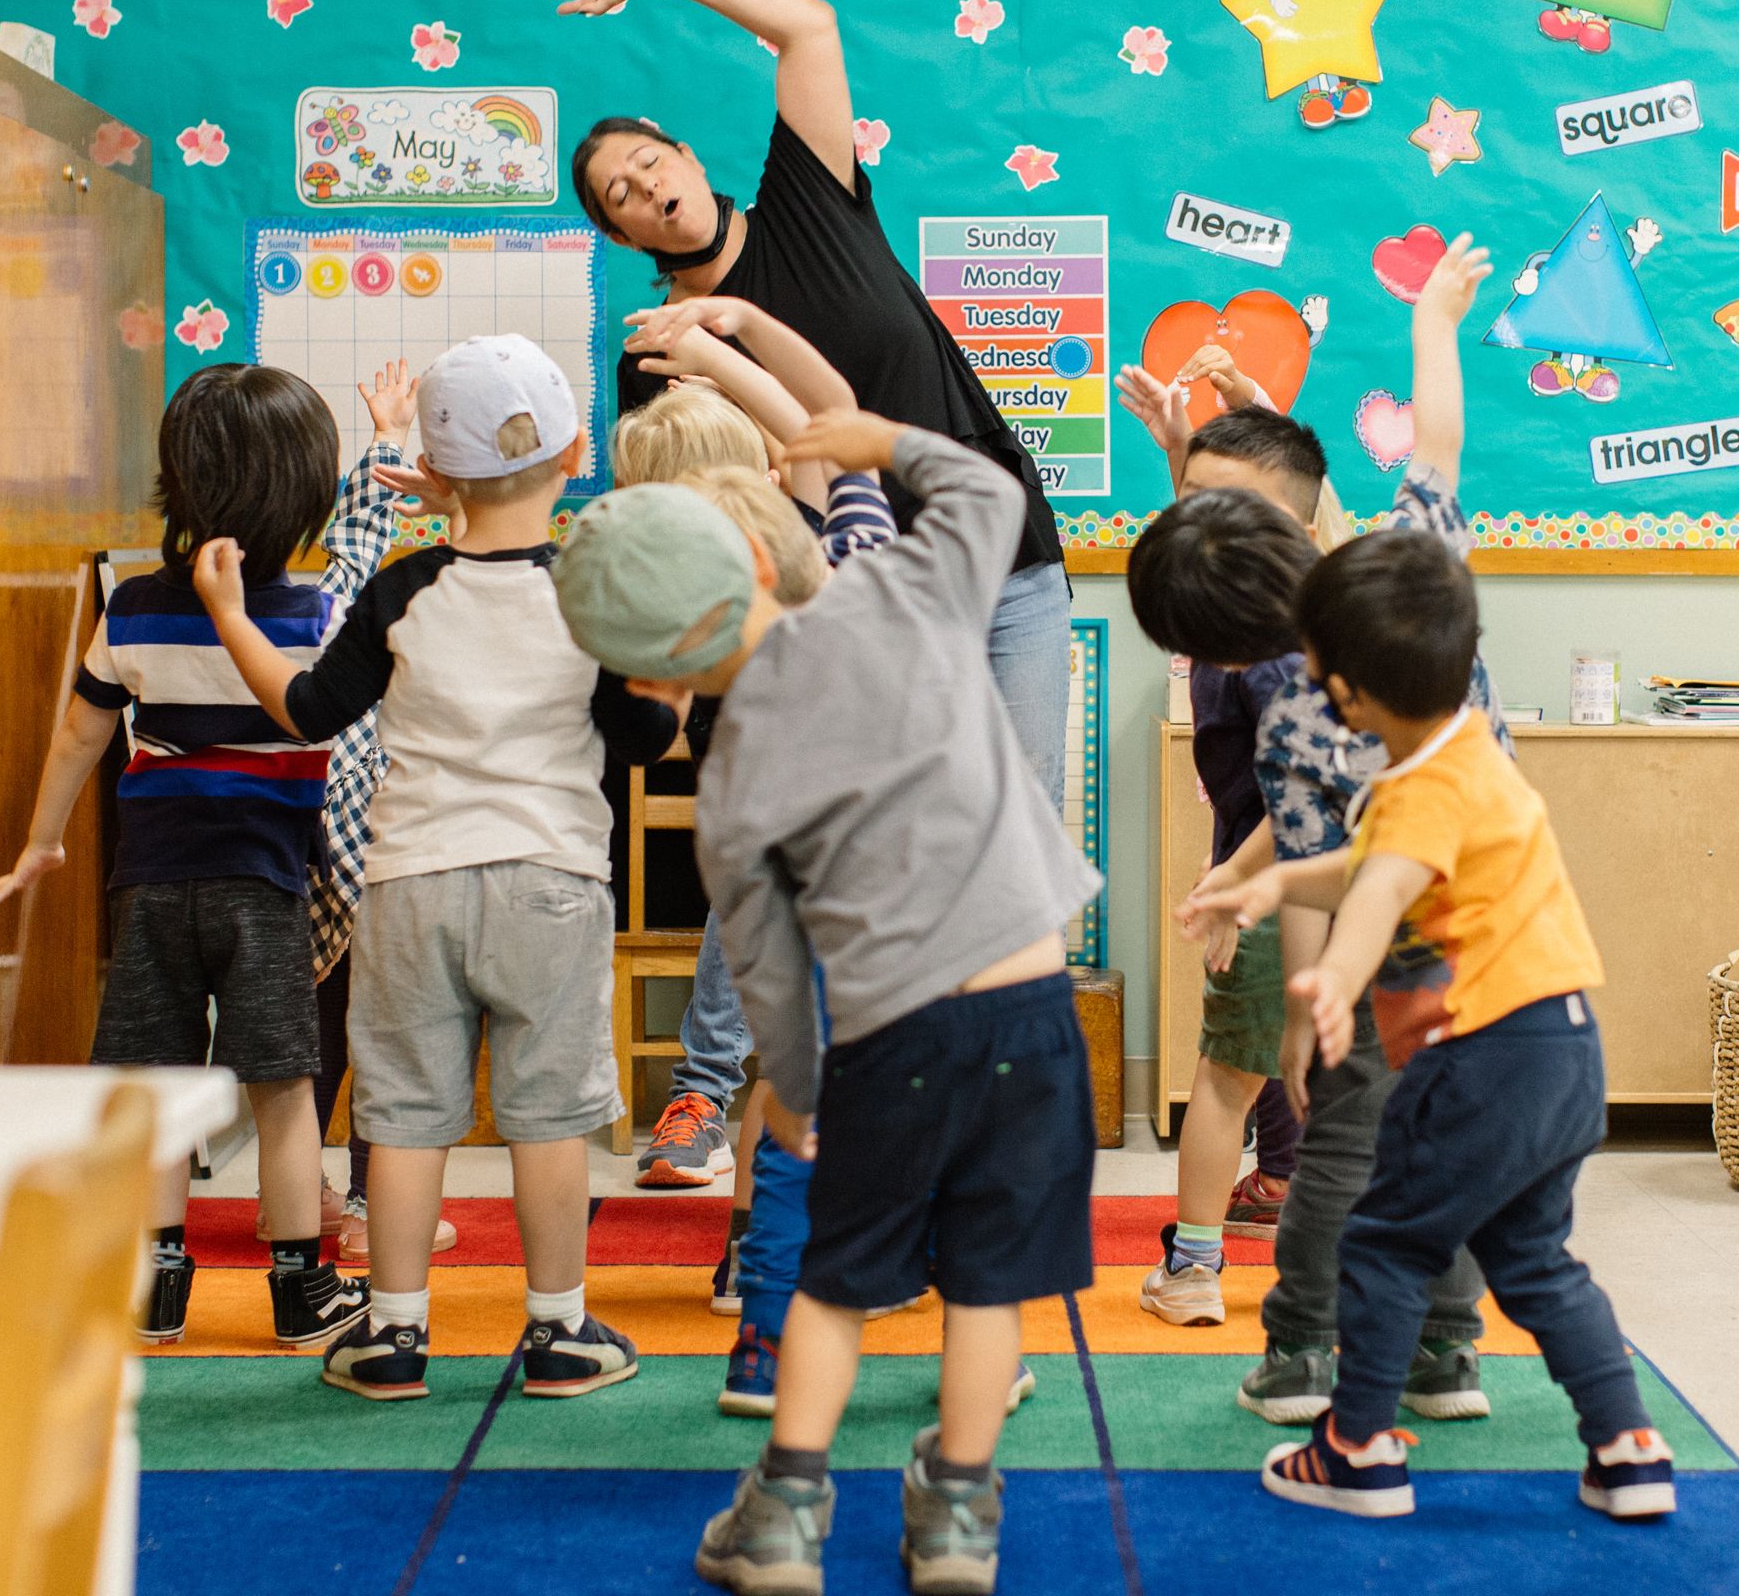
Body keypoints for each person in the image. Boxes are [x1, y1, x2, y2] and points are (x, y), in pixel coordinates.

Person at [551, 411, 1098, 1596]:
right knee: (992, 1281)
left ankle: (790, 1505)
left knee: (836, 1280)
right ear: (757, 557)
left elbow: (763, 959)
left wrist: (795, 1095)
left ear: (649, 675)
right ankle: (958, 1508)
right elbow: (994, 501)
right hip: (1030, 1009)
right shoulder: (896, 598)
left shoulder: (734, 771)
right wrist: (885, 439)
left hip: (886, 1039)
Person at [194, 336, 679, 1404]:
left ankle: (393, 1334)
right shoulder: (590, 588)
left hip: (408, 884)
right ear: (574, 454)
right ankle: (557, 1329)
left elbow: (310, 709)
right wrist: (676, 675)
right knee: (548, 1113)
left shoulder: (404, 588)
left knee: (404, 1115)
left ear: (438, 476)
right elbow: (639, 737)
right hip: (550, 880)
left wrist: (230, 616)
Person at [1185, 528, 1673, 1525]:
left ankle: (1358, 1447)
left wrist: (1333, 976)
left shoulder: (1419, 789)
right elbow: (1379, 862)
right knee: (1537, 1259)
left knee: (1385, 1244)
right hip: (1564, 1050)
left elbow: (1384, 886)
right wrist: (1269, 880)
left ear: (1354, 697)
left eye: (1319, 681)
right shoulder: (1473, 756)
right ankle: (1628, 1444)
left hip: (1481, 1056)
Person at [552, 0, 1073, 829]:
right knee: (898, 853)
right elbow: (716, 515)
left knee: (1019, 833)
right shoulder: (662, 352)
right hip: (854, 613)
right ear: (623, 238)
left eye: (648, 164)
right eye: (620, 198)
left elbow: (808, 28)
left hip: (1002, 558)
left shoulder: (809, 201)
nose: (644, 188)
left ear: (683, 154)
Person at [1124, 238, 1500, 1426]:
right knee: (1440, 1147)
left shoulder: (1286, 712)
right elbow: (1434, 440)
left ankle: (1303, 1354)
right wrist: (1435, 320)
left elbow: (1305, 873)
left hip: (1379, 950)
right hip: (1497, 928)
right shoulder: (1411, 579)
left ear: (1226, 652)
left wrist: (1306, 1011)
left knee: (1340, 1150)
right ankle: (1444, 1356)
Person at [0, 364, 364, 1353]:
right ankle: (297, 1289)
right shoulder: (312, 619)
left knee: (153, 1083)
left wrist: (44, 838)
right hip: (267, 885)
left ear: (177, 481)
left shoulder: (135, 607)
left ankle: (155, 1290)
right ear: (306, 492)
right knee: (283, 1091)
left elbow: (80, 732)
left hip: (149, 881)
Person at [611, 296, 864, 1196]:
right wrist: (729, 355)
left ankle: (758, 1247)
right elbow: (820, 418)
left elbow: (816, 427)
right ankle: (775, 1227)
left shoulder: (813, 549)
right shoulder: (811, 556)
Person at [1110, 358, 1334, 1322]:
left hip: (1269, 884)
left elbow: (1303, 809)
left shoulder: (1261, 640)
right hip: (1315, 886)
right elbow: (1237, 539)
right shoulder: (1291, 612)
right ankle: (1332, 1261)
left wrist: (1232, 886)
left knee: (1226, 1080)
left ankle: (1197, 1268)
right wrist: (1179, 449)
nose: (1189, 521)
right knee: (1311, 1078)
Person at [300, 360, 453, 1267]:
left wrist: (389, 441)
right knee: (383, 1038)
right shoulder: (334, 602)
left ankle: (305, 1192)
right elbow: (358, 543)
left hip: (297, 868)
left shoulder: (241, 612)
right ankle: (367, 1204)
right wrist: (390, 444)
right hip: (378, 858)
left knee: (312, 1040)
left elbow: (354, 541)